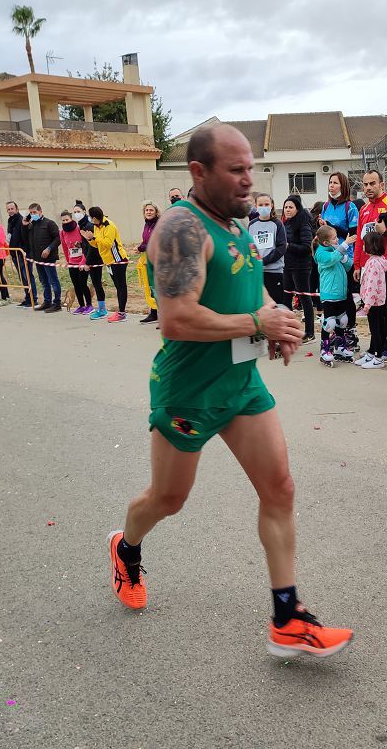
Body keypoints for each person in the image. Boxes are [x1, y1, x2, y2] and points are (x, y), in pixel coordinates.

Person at [109, 123, 352, 659]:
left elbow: (254, 290)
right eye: (236, 169)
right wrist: (255, 325)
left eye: (252, 168)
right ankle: (126, 547)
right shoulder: (180, 228)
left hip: (241, 384)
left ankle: (287, 619)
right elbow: (176, 318)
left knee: (280, 488)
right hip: (189, 389)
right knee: (168, 500)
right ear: (199, 172)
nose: (249, 180)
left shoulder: (235, 223)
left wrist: (278, 319)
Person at [353, 170, 387, 363]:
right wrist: (358, 265)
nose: (368, 187)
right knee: (372, 309)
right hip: (368, 268)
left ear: (381, 184)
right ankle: (376, 346)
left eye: (372, 183)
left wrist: (386, 232)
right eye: (365, 184)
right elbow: (360, 240)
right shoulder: (364, 210)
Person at [319, 172, 360, 336]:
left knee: (347, 295)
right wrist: (323, 226)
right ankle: (335, 330)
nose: (331, 185)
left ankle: (350, 329)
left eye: (335, 182)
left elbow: (353, 233)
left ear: (343, 186)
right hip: (330, 256)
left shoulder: (350, 207)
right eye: (330, 182)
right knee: (333, 294)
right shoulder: (325, 206)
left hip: (345, 257)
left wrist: (332, 226)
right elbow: (324, 232)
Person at [313, 225, 356, 365]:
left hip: (341, 293)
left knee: (342, 320)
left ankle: (340, 347)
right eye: (334, 238)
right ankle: (325, 349)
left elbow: (349, 265)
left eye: (337, 236)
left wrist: (344, 257)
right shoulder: (321, 253)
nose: (337, 239)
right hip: (329, 293)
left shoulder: (335, 250)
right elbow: (331, 259)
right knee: (329, 322)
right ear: (325, 242)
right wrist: (344, 245)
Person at [282, 194, 316, 342]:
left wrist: (289, 246)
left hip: (301, 266)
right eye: (285, 207)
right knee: (286, 297)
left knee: (304, 298)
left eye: (291, 207)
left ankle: (310, 333)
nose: (287, 210)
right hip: (287, 265)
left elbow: (307, 247)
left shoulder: (303, 223)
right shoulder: (286, 223)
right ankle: (290, 330)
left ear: (297, 208)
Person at [86, 206, 129, 322]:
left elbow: (108, 243)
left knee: (121, 286)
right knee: (117, 286)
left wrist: (95, 237)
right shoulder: (96, 226)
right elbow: (97, 245)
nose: (90, 220)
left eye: (91, 217)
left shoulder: (108, 225)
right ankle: (121, 312)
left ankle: (122, 313)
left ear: (94, 217)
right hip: (108, 261)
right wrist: (90, 239)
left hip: (118, 259)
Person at [356, 230, 387, 370]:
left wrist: (367, 304)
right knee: (376, 328)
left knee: (376, 330)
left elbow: (372, 285)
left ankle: (378, 357)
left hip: (374, 302)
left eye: (365, 244)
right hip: (377, 301)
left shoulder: (373, 264)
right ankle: (371, 352)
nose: (363, 246)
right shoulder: (375, 261)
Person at [249, 193, 287, 306]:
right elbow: (251, 246)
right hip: (257, 272)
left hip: (274, 272)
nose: (263, 207)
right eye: (260, 204)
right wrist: (256, 261)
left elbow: (281, 247)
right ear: (255, 206)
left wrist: (264, 261)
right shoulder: (252, 224)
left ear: (272, 205)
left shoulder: (277, 224)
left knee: (275, 305)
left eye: (266, 204)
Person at [73, 201, 106, 319]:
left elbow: (93, 245)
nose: (76, 214)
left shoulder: (88, 226)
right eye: (75, 212)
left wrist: (88, 262)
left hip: (95, 260)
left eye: (78, 211)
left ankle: (102, 310)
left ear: (84, 212)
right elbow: (87, 244)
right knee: (94, 284)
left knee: (97, 284)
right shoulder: (81, 226)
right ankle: (98, 308)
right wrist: (80, 244)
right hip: (89, 258)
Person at [26, 203, 62, 313]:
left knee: (53, 280)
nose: (33, 215)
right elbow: (28, 240)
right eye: (31, 213)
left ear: (40, 211)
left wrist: (49, 249)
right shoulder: (32, 225)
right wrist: (25, 224)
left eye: (34, 212)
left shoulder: (49, 223)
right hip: (37, 258)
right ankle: (47, 302)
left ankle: (57, 303)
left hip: (49, 258)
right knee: (43, 281)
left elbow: (58, 238)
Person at [59, 209, 92, 314]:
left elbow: (85, 246)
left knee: (83, 284)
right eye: (63, 220)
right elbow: (65, 248)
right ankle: (81, 305)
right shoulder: (62, 232)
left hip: (82, 261)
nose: (65, 222)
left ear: (71, 219)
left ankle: (89, 305)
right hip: (72, 263)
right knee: (76, 285)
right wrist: (68, 261)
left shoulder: (79, 229)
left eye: (67, 219)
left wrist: (84, 260)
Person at [6, 201, 37, 307]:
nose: (10, 211)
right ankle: (27, 298)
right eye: (8, 209)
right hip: (15, 254)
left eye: (12, 208)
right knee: (22, 278)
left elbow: (26, 236)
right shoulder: (11, 221)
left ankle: (33, 299)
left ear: (17, 209)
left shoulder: (21, 220)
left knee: (27, 276)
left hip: (23, 254)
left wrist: (24, 251)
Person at [137, 201, 160, 323]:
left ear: (156, 212)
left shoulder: (158, 224)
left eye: (151, 210)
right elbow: (145, 241)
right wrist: (139, 246)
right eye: (146, 210)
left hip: (158, 260)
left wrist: (141, 247)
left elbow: (155, 242)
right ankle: (154, 313)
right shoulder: (147, 224)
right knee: (151, 287)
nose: (148, 212)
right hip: (149, 260)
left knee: (158, 287)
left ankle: (164, 315)